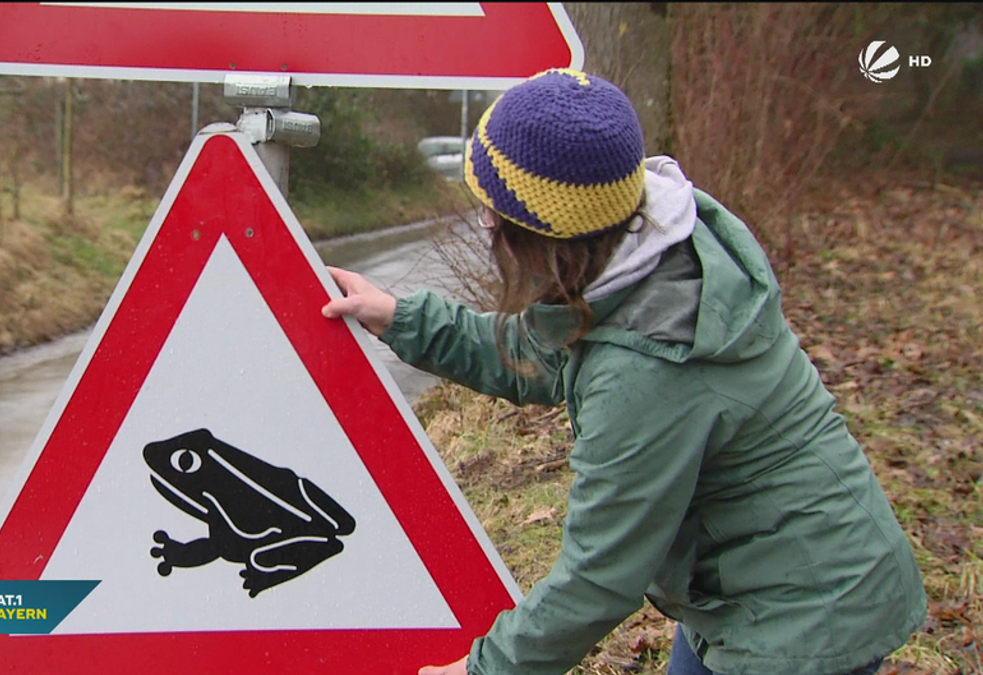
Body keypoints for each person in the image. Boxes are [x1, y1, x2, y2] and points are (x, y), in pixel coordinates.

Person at [320, 69, 926, 675]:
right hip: (752, 586)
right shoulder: (646, 253)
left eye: (492, 215)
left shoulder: (645, 368)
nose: (489, 231)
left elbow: (597, 579)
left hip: (805, 620)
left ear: (541, 233)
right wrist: (401, 318)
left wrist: (483, 669)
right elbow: (534, 351)